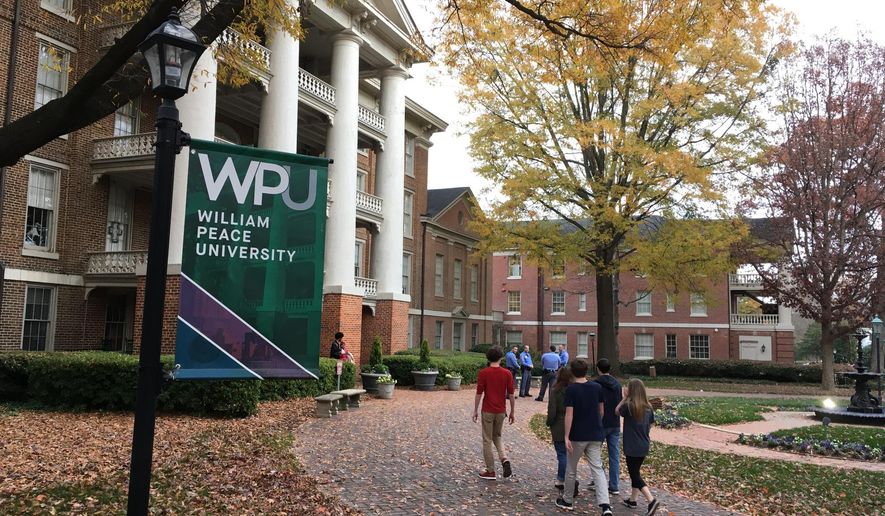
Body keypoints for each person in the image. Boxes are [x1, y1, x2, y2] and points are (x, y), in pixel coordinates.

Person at [556, 359, 612, 515]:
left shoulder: (572, 390)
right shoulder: (597, 387)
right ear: (586, 371)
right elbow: (601, 410)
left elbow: (569, 414)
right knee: (597, 469)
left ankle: (567, 500)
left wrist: (566, 436)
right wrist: (596, 424)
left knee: (571, 468)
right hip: (595, 434)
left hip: (577, 435)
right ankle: (605, 505)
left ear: (572, 372)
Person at [616, 378, 659, 515]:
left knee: (634, 475)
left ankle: (651, 500)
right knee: (636, 471)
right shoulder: (648, 407)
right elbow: (651, 425)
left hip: (632, 445)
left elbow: (616, 411)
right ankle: (633, 500)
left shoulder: (629, 406)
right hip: (644, 444)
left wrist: (624, 398)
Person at [473, 346, 516, 480]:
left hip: (488, 410)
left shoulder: (484, 373)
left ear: (488, 358)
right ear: (501, 358)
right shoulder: (507, 373)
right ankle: (504, 458)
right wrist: (512, 411)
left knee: (487, 439)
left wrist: (475, 410)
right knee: (497, 436)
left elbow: (479, 393)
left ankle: (490, 470)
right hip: (501, 410)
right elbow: (511, 394)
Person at [546, 366, 579, 497]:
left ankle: (563, 479)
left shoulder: (555, 390)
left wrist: (549, 422)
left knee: (561, 454)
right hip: (574, 423)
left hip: (559, 423)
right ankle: (567, 478)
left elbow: (552, 409)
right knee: (571, 454)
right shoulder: (575, 390)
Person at [593, 358, 622, 496]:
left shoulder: (595, 384)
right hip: (615, 422)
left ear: (598, 369)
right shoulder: (617, 384)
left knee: (595, 454)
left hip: (600, 423)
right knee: (614, 455)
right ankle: (614, 485)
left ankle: (599, 481)